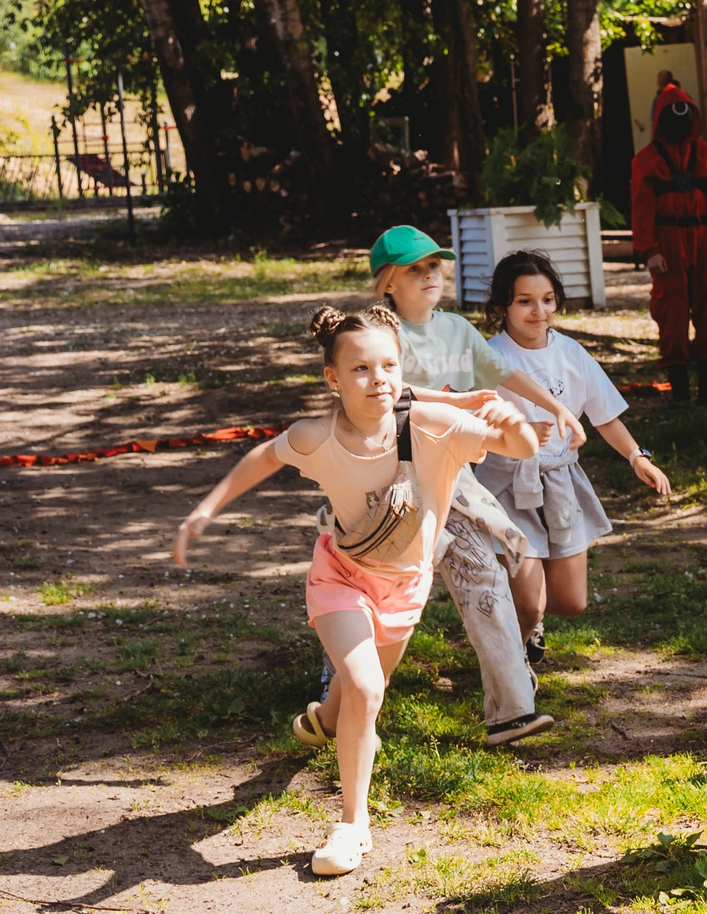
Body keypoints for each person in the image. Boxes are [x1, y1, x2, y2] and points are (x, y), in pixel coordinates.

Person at [172, 307, 540, 877]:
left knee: (358, 693)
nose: (379, 379)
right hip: (341, 575)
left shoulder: (431, 423)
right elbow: (263, 456)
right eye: (361, 368)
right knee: (367, 687)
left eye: (389, 365)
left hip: (406, 588)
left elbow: (519, 447)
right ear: (333, 379)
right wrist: (205, 508)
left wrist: (508, 415)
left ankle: (323, 718)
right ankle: (352, 824)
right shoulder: (317, 437)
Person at [369, 225, 568, 744]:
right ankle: (340, 685)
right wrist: (455, 403)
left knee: (500, 567)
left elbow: (499, 371)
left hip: (456, 478)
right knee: (376, 587)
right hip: (400, 484)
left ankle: (511, 709)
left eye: (435, 264)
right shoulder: (378, 334)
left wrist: (555, 405)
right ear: (388, 281)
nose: (430, 274)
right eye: (415, 268)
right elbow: (383, 394)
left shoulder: (456, 329)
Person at [478, 250, 675, 662]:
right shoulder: (487, 357)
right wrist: (516, 434)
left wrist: (637, 457)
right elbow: (467, 426)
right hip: (505, 484)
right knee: (529, 602)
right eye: (525, 301)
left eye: (547, 299)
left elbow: (605, 416)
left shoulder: (571, 353)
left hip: (561, 482)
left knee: (570, 602)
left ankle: (521, 615)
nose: (539, 311)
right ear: (502, 307)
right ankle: (509, 671)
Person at [631, 78, 707, 402]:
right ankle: (679, 389)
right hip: (668, 243)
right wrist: (650, 251)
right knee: (671, 309)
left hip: (703, 242)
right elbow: (641, 208)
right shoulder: (646, 161)